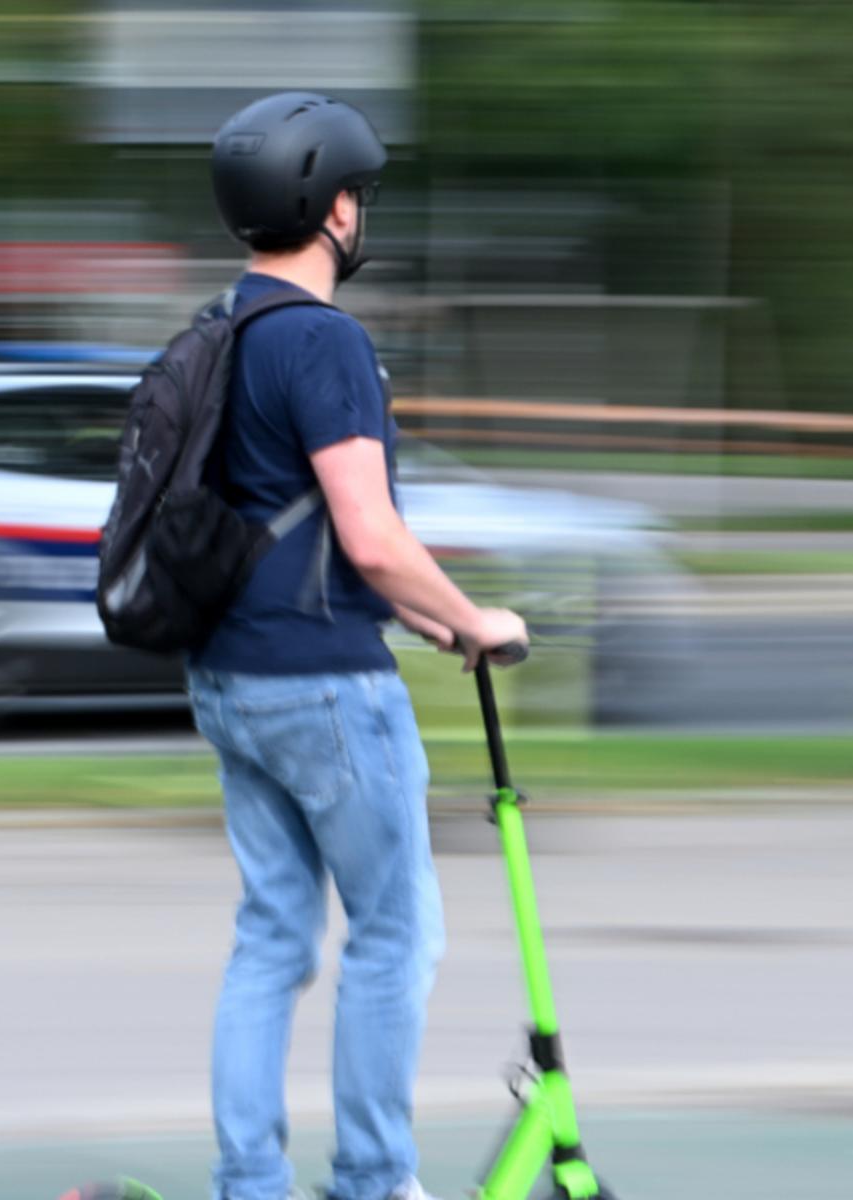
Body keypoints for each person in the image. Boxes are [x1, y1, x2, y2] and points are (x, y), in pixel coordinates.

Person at [190, 92, 529, 1200]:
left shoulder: (219, 332)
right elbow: (372, 533)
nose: (360, 212)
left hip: (230, 677)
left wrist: (428, 617)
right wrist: (478, 619)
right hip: (328, 689)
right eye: (357, 194)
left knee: (272, 940)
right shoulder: (324, 341)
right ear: (329, 204)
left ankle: (250, 1184)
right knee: (394, 936)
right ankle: (375, 1184)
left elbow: (298, 521)